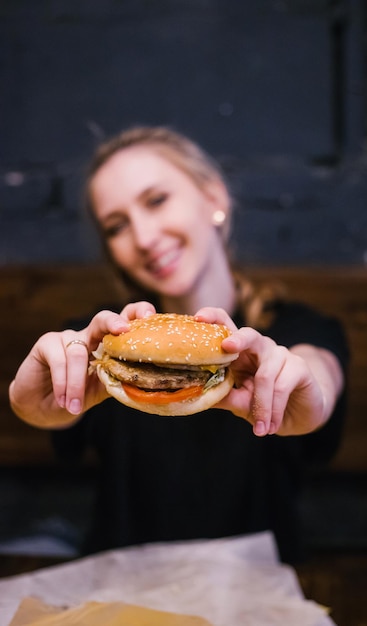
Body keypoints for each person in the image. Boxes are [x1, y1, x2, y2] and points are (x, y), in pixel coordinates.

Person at [9, 126, 348, 563]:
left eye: (156, 200)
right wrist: (32, 406)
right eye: (117, 226)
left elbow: (317, 365)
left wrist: (306, 388)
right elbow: (53, 413)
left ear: (214, 199)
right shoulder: (97, 342)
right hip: (119, 593)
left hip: (257, 594)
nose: (145, 238)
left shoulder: (299, 329)